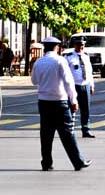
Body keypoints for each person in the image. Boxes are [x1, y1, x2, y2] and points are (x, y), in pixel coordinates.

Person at [31, 36, 92, 171]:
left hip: (43, 102)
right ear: (57, 47)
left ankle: (46, 163)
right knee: (67, 133)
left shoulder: (38, 62)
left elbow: (34, 81)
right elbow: (68, 82)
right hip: (60, 102)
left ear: (45, 48)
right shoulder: (60, 61)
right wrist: (74, 100)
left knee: (46, 134)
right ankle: (77, 161)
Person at [65, 36, 96, 138]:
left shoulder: (86, 56)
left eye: (82, 45)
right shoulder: (68, 57)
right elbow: (65, 72)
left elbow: (90, 72)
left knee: (85, 109)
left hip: (85, 84)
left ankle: (85, 129)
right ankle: (69, 129)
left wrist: (91, 85)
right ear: (74, 45)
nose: (81, 47)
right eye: (79, 45)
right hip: (74, 85)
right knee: (71, 107)